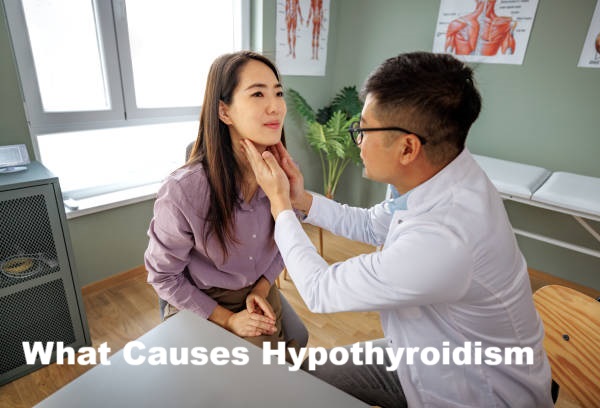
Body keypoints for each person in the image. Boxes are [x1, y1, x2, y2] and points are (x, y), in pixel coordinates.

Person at [242, 51, 553, 407]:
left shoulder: (445, 239)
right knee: (309, 378)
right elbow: (373, 225)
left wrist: (280, 204)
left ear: (407, 148)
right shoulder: (443, 175)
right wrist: (301, 200)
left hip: (474, 390)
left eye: (363, 129)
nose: (357, 139)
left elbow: (319, 290)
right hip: (424, 352)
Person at [144, 51, 307, 352]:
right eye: (258, 93)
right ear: (224, 112)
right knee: (264, 362)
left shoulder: (283, 175)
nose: (276, 106)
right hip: (204, 300)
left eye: (278, 93)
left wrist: (261, 287)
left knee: (290, 348)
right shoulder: (183, 191)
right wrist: (228, 320)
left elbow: (288, 241)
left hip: (256, 289)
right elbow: (163, 277)